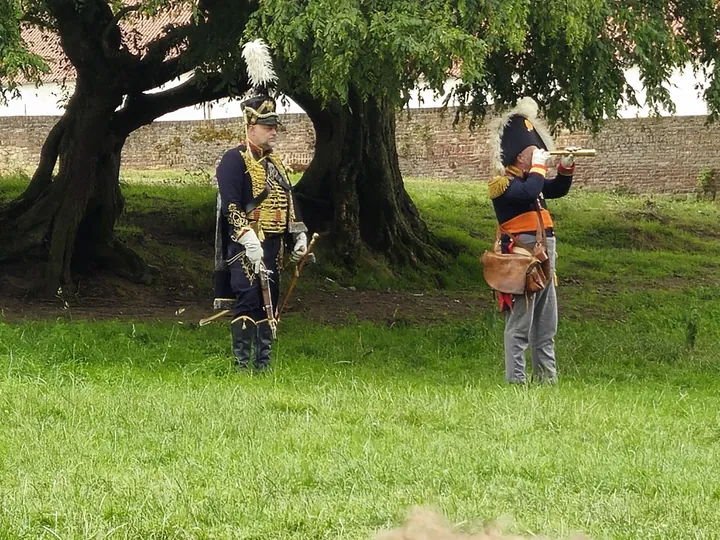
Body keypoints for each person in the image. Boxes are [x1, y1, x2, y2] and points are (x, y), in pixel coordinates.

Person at [212, 92, 308, 372]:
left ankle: (262, 366)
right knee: (249, 299)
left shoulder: (275, 164)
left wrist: (298, 235)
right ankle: (242, 366)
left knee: (270, 304)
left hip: (273, 247)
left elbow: (289, 201)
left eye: (275, 126)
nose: (273, 132)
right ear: (250, 127)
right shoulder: (234, 160)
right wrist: (247, 237)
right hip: (246, 246)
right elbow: (231, 205)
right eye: (268, 127)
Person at [486, 97, 577, 384]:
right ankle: (517, 381)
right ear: (519, 157)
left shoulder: (531, 181)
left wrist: (565, 167)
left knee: (546, 323)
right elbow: (528, 192)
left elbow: (555, 189)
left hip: (546, 254)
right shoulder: (503, 184)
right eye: (533, 151)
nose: (538, 154)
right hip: (522, 258)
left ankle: (547, 379)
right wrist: (539, 167)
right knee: (521, 323)